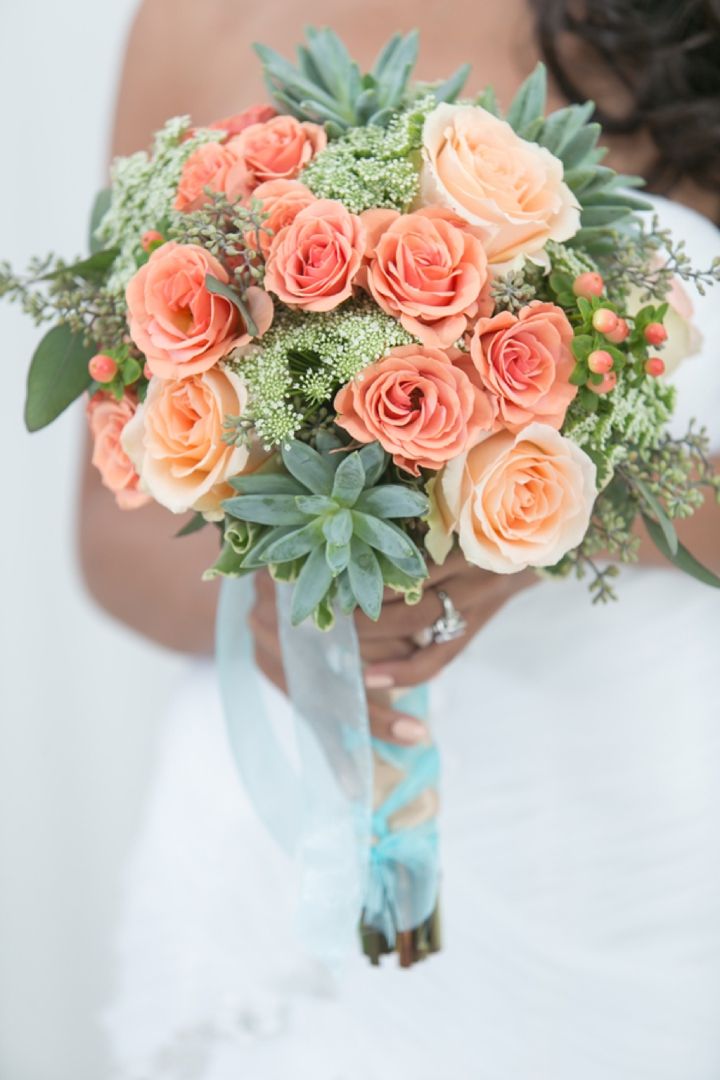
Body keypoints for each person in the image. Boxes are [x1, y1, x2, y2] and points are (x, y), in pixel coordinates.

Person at [82, 2, 720, 1077]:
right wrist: (281, 601)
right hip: (294, 830)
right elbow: (110, 526)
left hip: (632, 826)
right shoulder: (194, 19)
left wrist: (551, 526)